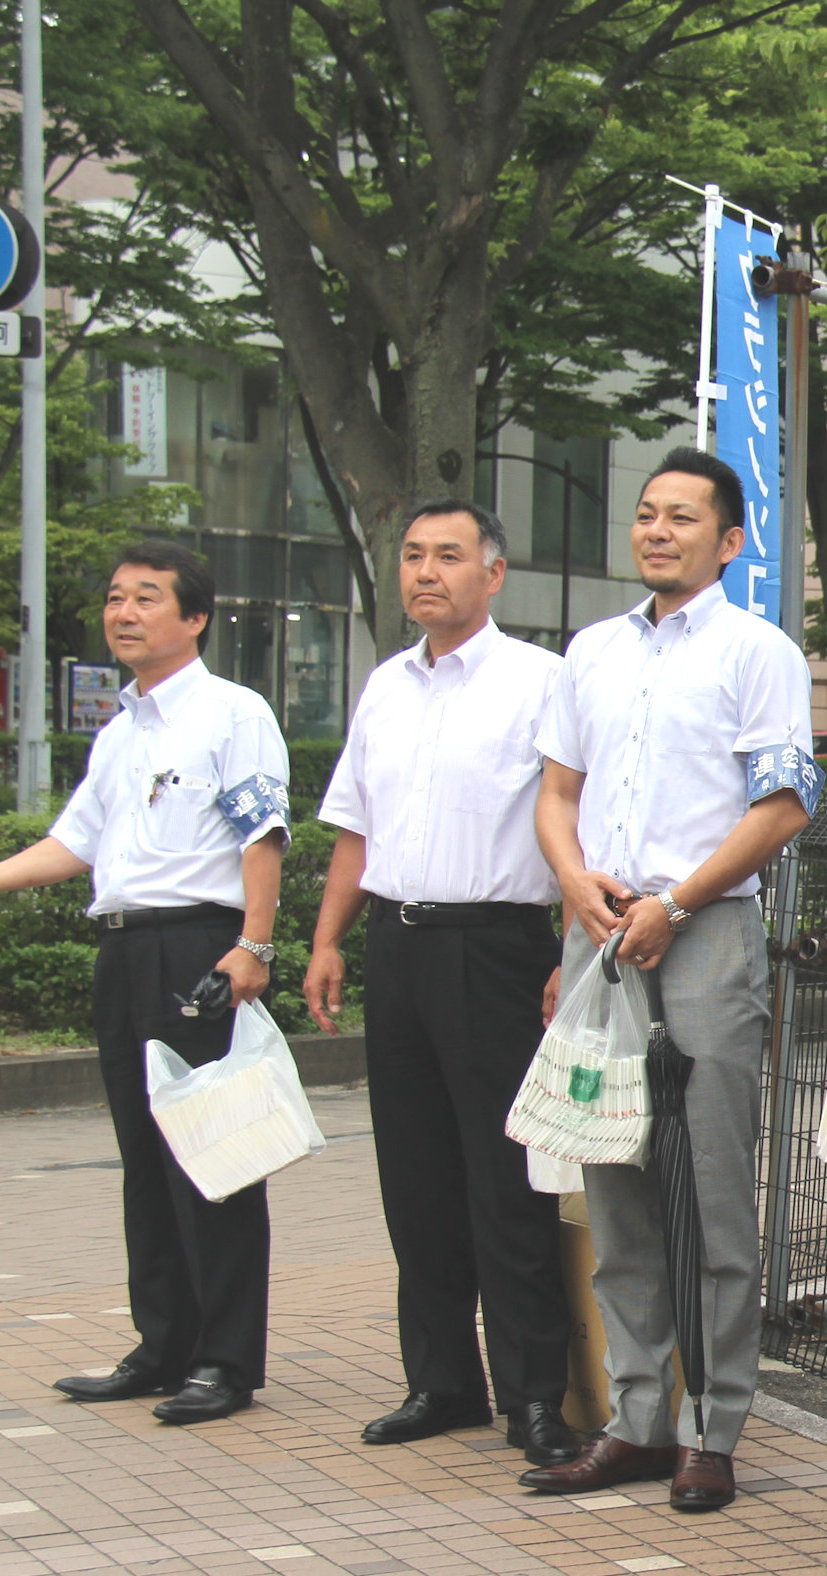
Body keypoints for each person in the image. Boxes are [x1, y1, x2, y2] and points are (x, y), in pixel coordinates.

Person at [518, 447, 821, 1513]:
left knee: (709, 1191)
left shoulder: (758, 652)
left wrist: (675, 903)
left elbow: (782, 808)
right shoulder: (590, 651)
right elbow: (557, 795)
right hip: (599, 929)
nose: (655, 531)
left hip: (702, 933)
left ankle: (713, 1427)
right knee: (614, 1179)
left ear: (729, 540)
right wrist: (576, 886)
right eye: (645, 514)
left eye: (681, 517)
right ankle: (637, 1417)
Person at [0, 542, 287, 1425]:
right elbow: (76, 842)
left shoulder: (230, 713)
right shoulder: (120, 730)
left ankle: (226, 1361)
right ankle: (163, 1344)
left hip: (198, 946)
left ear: (194, 617)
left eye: (146, 599)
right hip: (123, 953)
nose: (124, 612)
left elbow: (263, 834)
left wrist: (254, 945)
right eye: (116, 598)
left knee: (214, 1153)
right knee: (142, 1157)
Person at [304, 500, 578, 1468]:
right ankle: (440, 1379)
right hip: (399, 944)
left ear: (492, 574)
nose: (426, 572)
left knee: (503, 1178)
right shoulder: (385, 685)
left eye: (448, 556)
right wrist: (328, 939)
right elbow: (355, 827)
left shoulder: (542, 681)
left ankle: (535, 1394)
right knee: (413, 1174)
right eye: (413, 555)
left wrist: (568, 954)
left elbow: (576, 823)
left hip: (496, 948)